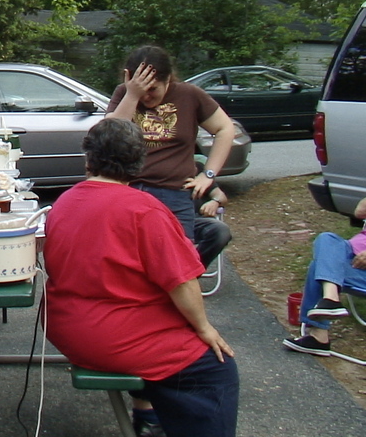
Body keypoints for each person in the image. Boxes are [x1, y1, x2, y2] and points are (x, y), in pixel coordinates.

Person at [43, 118, 239, 437]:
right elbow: (182, 281)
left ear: (89, 159)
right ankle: (158, 419)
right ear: (138, 162)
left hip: (65, 326)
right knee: (215, 368)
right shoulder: (144, 210)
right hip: (111, 337)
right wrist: (204, 328)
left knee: (165, 343)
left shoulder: (64, 201)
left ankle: (150, 417)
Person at [105, 45, 235, 241]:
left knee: (179, 253)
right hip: (128, 191)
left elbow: (225, 129)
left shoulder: (189, 95)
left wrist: (208, 174)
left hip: (174, 193)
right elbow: (111, 135)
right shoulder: (124, 94)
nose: (146, 96)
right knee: (128, 251)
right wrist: (131, 95)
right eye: (141, 90)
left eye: (152, 89)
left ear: (167, 79)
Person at [283, 196, 366, 356]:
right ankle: (331, 298)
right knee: (327, 238)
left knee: (320, 266)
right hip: (352, 256)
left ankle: (319, 334)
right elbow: (360, 212)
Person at [193, 159, 233, 269]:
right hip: (165, 222)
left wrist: (215, 202)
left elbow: (221, 196)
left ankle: (193, 269)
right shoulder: (155, 169)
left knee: (221, 231)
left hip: (195, 221)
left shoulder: (198, 169)